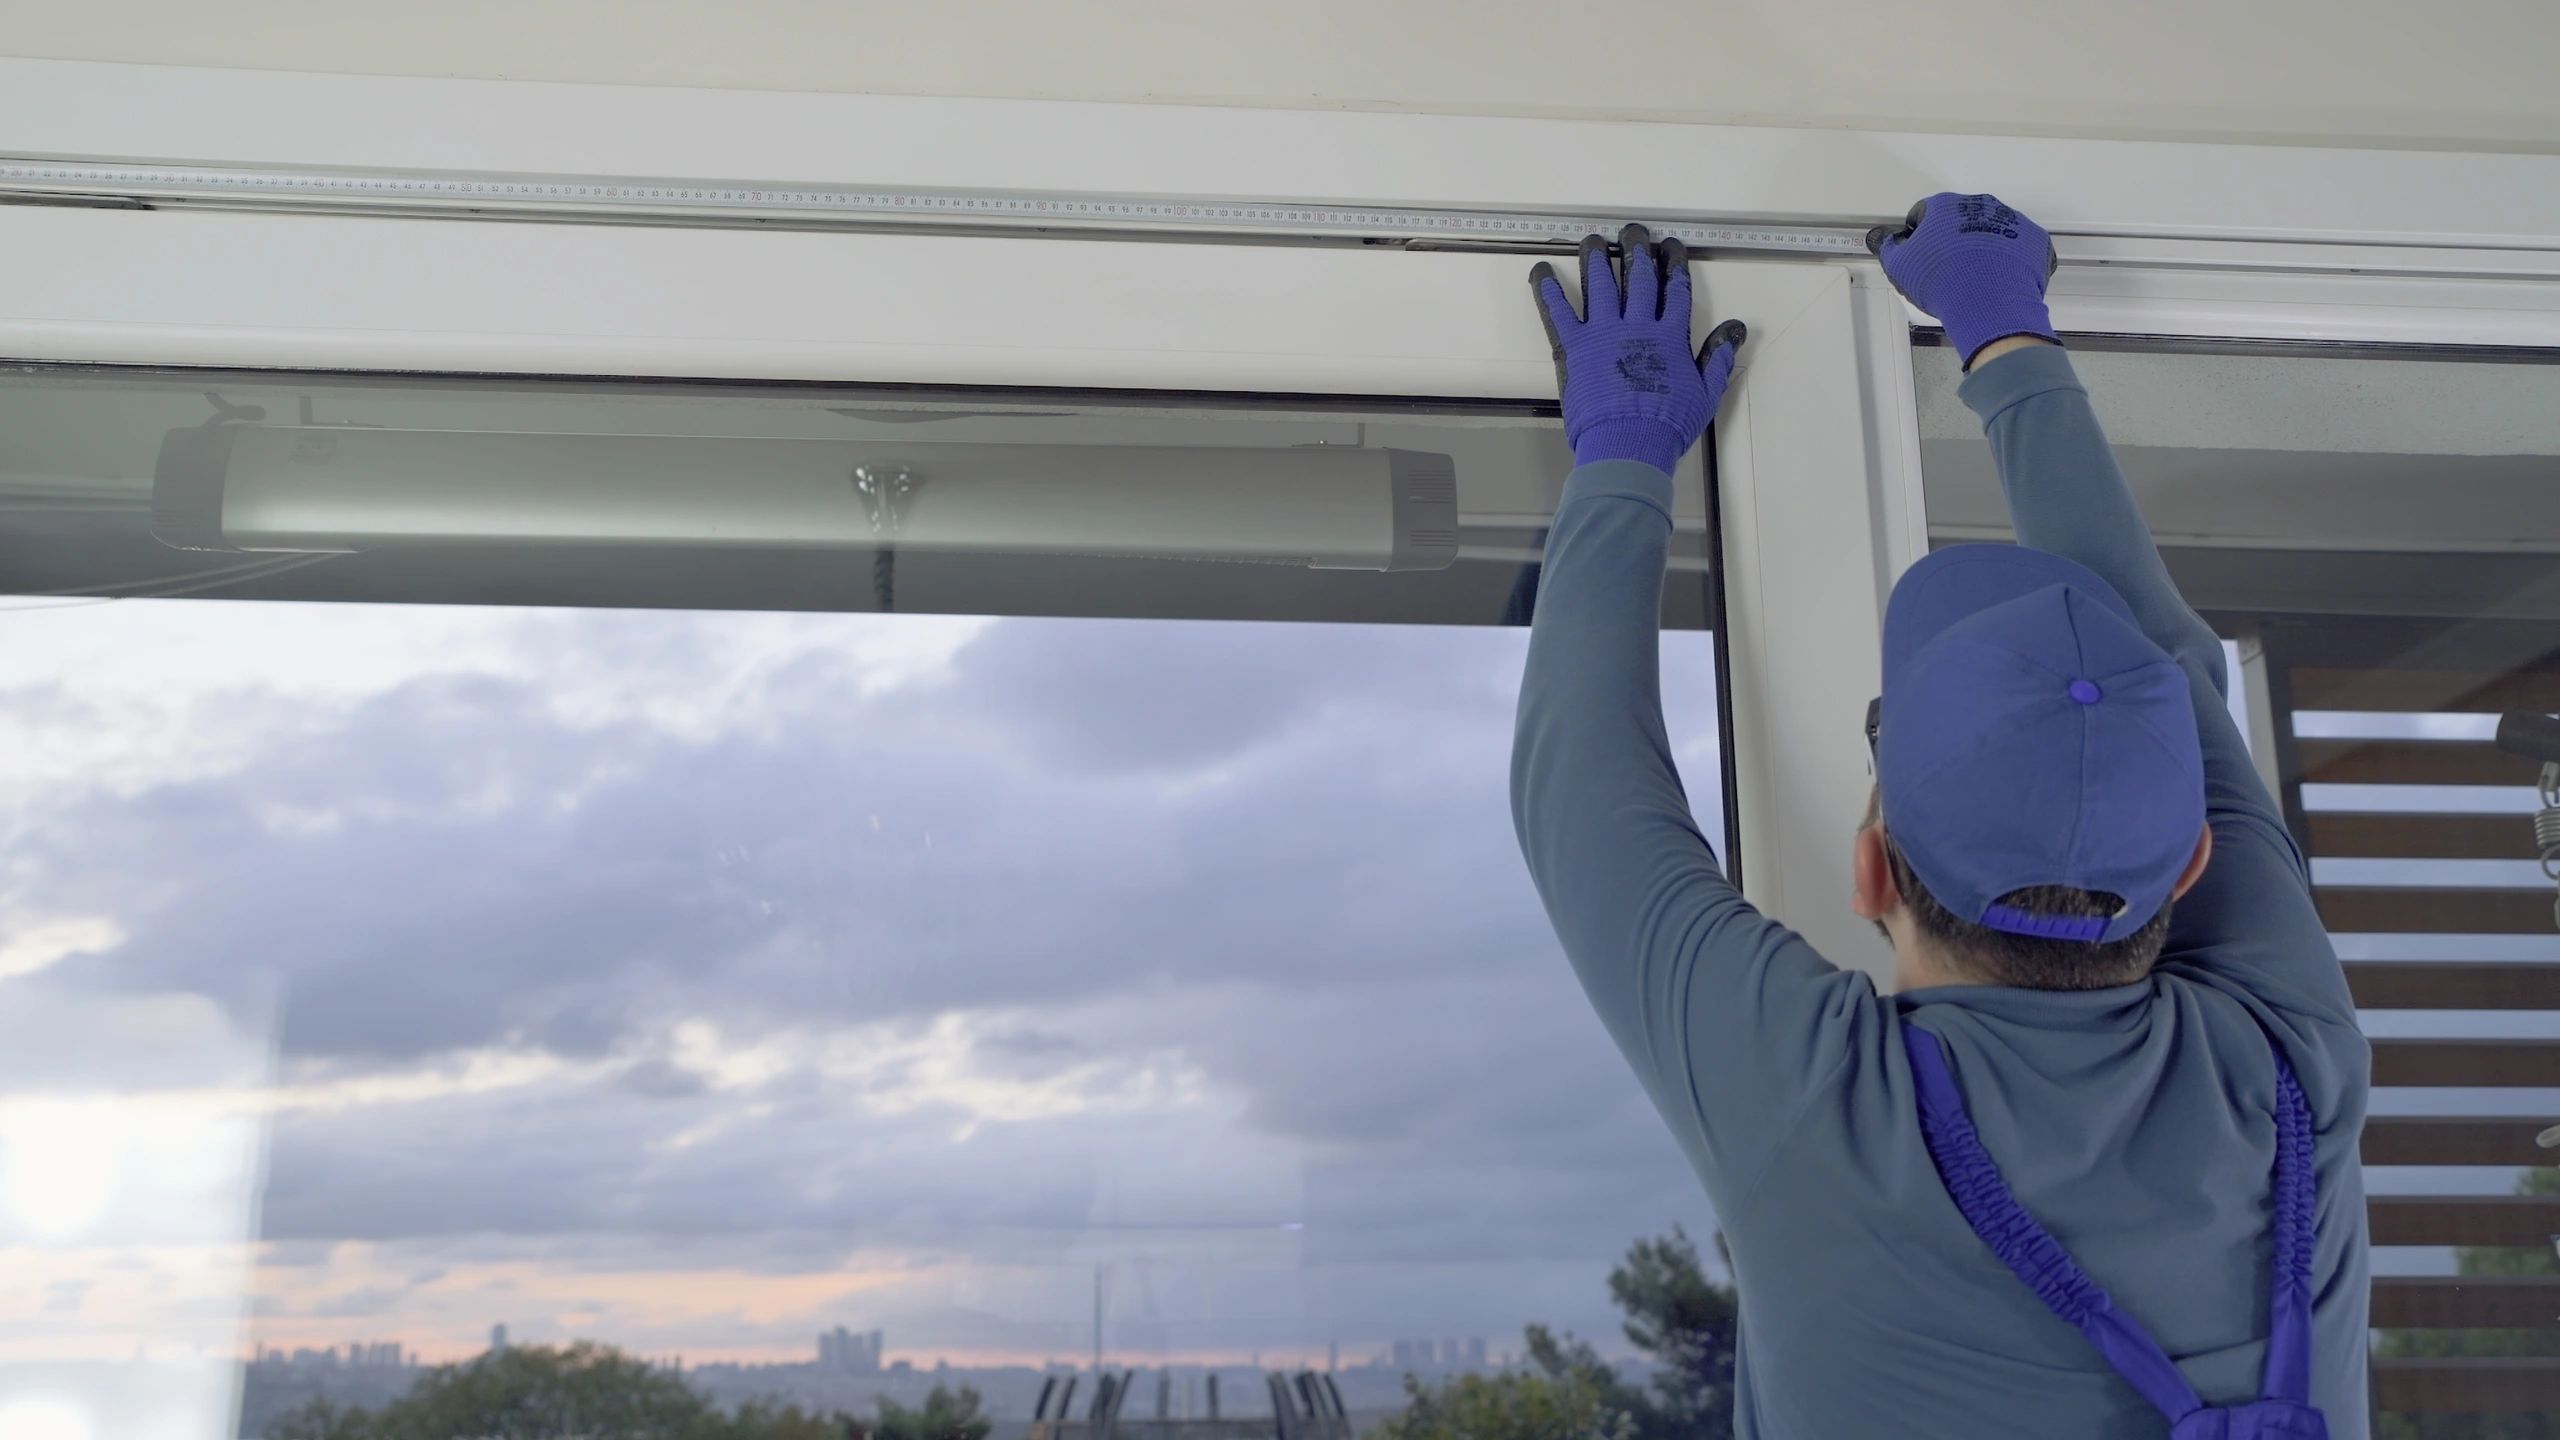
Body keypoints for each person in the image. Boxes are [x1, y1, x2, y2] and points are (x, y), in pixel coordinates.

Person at [1511, 193, 2372, 1438]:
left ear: (1869, 871)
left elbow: (2171, 674)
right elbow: (1583, 794)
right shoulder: (2287, 1070)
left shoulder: (1831, 1102)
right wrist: (1620, 464)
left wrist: (2006, 334)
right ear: (2189, 864)